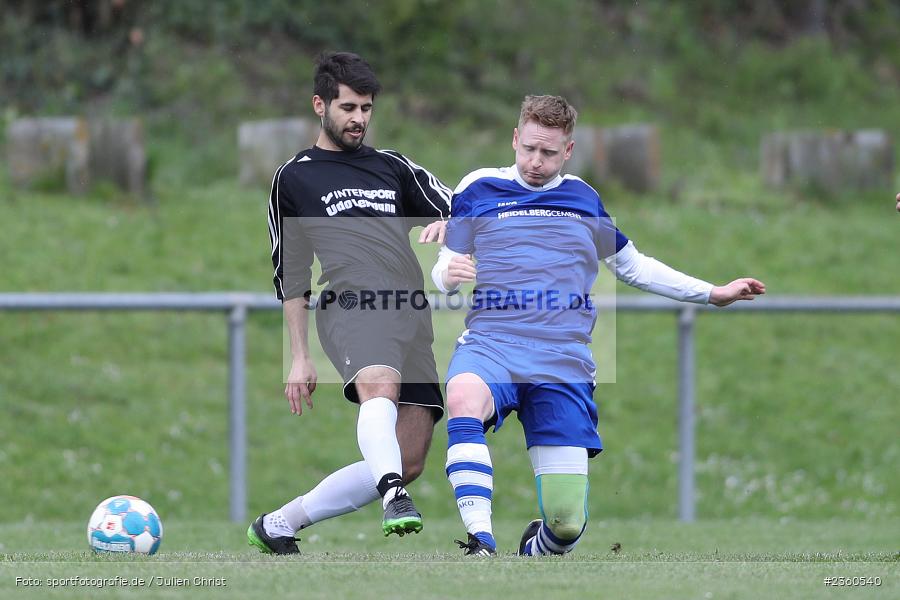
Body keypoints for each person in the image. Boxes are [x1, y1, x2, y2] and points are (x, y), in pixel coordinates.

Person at [431, 95, 766, 556]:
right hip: (493, 343)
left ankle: (537, 548)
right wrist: (446, 275)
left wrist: (712, 292)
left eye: (549, 153)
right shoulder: (479, 187)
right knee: (463, 396)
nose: (535, 161)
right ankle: (480, 541)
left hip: (561, 359)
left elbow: (634, 267)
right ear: (514, 138)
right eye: (528, 148)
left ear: (568, 151)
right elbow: (447, 262)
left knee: (566, 523)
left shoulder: (582, 199)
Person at [248, 51, 451, 554]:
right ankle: (393, 498)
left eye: (366, 108)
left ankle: (279, 523)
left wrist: (455, 224)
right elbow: (290, 275)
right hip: (351, 305)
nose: (358, 119)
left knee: (408, 459)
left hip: (410, 312)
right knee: (378, 385)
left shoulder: (394, 168)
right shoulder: (294, 178)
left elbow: (461, 206)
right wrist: (299, 356)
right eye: (348, 108)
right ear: (320, 105)